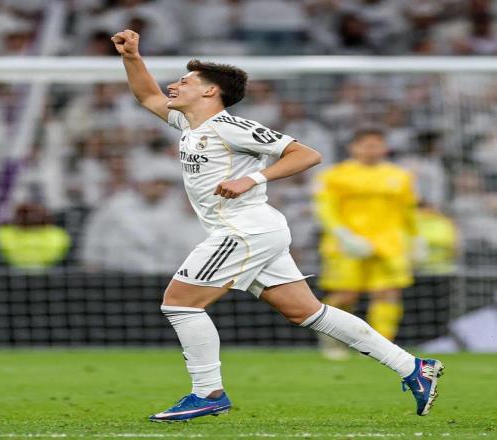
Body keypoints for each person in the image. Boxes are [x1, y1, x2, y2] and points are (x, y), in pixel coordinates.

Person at [111, 29, 444, 422]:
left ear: (210, 91)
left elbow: (307, 154)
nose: (174, 85)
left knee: (180, 303)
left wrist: (251, 179)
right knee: (306, 312)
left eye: (185, 81)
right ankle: (413, 367)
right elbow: (147, 96)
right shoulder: (189, 124)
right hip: (251, 230)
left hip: (245, 230)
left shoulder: (231, 127)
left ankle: (207, 393)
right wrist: (132, 57)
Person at [313, 129, 421, 359]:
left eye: (377, 145)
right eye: (366, 145)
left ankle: (380, 346)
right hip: (347, 245)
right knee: (346, 295)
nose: (372, 150)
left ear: (385, 148)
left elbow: (408, 210)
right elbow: (326, 209)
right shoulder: (335, 175)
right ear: (353, 147)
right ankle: (332, 340)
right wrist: (343, 235)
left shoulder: (400, 176)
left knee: (388, 293)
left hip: (388, 244)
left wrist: (416, 238)